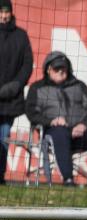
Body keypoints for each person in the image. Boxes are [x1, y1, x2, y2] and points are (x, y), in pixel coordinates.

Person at [25, 52, 87, 186]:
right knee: (60, 132)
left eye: (63, 68)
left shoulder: (79, 85)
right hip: (53, 133)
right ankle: (68, 179)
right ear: (48, 69)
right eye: (57, 68)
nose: (61, 71)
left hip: (79, 133)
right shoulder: (37, 88)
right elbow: (31, 113)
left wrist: (83, 124)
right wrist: (51, 121)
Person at [0, 0, 32, 185]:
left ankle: (0, 174)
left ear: (11, 13)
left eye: (6, 12)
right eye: (1, 12)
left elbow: (27, 65)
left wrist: (15, 85)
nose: (4, 16)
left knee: (3, 137)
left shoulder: (21, 36)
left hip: (9, 101)